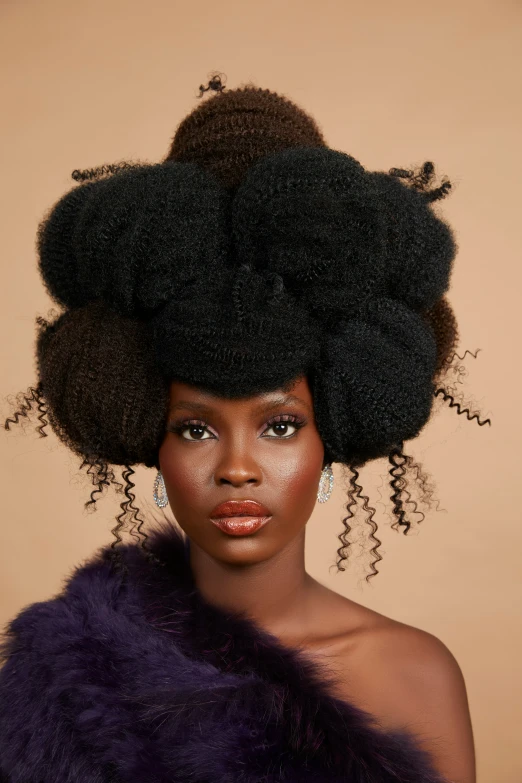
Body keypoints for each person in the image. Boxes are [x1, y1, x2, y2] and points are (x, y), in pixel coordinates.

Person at [0, 73, 489, 782]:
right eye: (197, 430)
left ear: (331, 440)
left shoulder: (413, 676)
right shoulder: (69, 666)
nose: (237, 466)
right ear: (151, 443)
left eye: (281, 426)